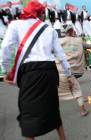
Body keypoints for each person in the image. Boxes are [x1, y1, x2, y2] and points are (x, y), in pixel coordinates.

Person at [1, 1, 74, 140]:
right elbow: (60, 54)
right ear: (40, 14)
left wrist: (5, 70)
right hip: (49, 72)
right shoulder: (49, 28)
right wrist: (69, 75)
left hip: (30, 74)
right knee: (53, 110)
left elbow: (6, 48)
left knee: (29, 114)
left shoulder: (15, 25)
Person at [57, 25, 89, 117]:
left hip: (60, 70)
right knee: (77, 90)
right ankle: (82, 110)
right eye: (73, 30)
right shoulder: (78, 41)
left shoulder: (58, 42)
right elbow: (89, 46)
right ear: (71, 31)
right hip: (70, 71)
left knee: (73, 86)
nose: (75, 32)